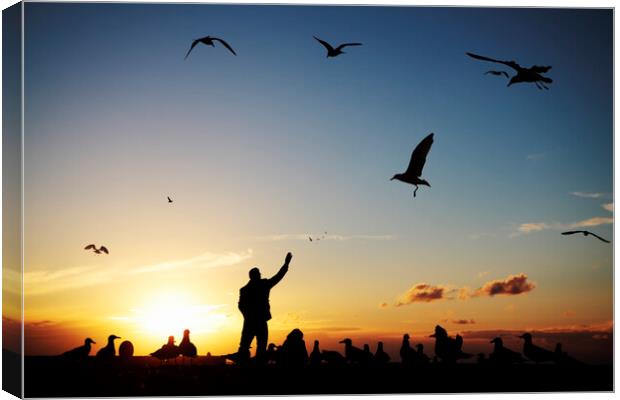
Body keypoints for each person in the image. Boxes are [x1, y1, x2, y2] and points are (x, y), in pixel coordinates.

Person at [237, 252, 292, 364]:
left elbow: (240, 306)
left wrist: (247, 316)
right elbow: (278, 277)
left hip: (250, 322)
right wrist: (285, 264)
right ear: (256, 275)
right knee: (257, 347)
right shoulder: (263, 285)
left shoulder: (245, 289)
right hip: (259, 321)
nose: (260, 275)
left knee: (246, 346)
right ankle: (254, 369)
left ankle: (246, 368)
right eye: (259, 274)